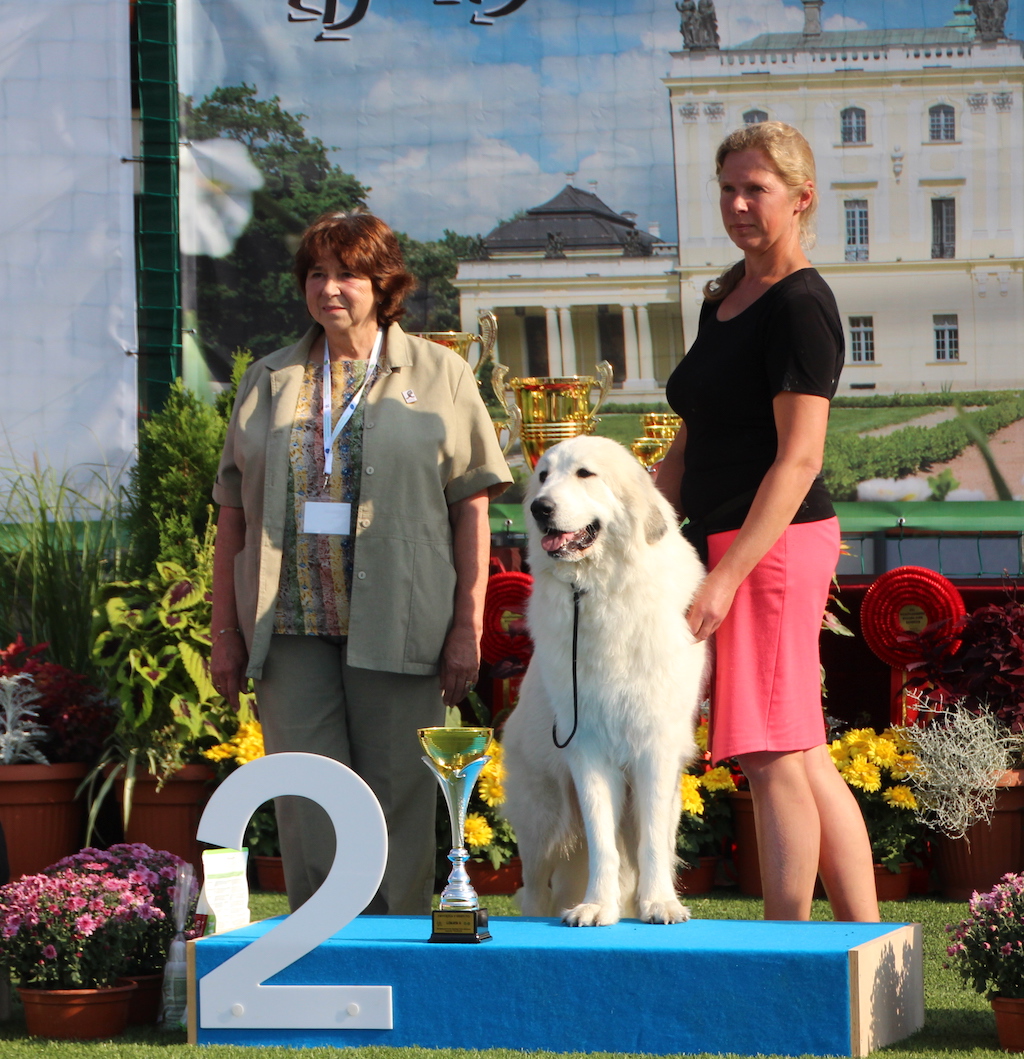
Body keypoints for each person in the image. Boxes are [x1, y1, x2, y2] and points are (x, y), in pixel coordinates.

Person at [210, 211, 512, 913]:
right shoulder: (269, 378)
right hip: (288, 626)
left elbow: (472, 507)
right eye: (316, 273)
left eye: (347, 273)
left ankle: (395, 953)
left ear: (383, 284)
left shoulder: (442, 374)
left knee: (398, 800)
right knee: (308, 796)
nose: (330, 288)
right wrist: (225, 632)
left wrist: (467, 624)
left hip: (402, 626)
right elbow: (233, 513)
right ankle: (321, 952)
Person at [657, 122, 879, 922]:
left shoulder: (801, 304)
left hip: (773, 547)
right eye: (728, 189)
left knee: (771, 752)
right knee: (803, 753)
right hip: (729, 539)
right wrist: (642, 526)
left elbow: (798, 461)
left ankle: (788, 955)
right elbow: (695, 433)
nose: (740, 204)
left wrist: (726, 574)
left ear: (802, 198)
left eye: (757, 189)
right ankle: (869, 942)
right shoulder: (725, 296)